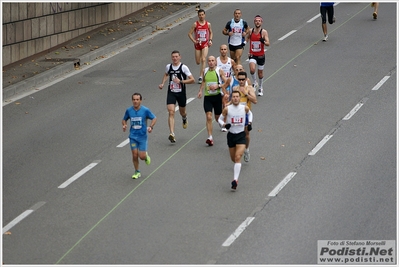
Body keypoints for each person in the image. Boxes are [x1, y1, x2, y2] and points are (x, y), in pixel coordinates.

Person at [218, 90, 253, 190]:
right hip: (231, 136)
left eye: (237, 96)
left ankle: (235, 180)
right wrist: (224, 124)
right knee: (233, 159)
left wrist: (249, 123)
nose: (235, 98)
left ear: (239, 97)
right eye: (233, 97)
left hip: (241, 135)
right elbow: (220, 119)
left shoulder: (244, 108)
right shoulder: (227, 109)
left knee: (238, 157)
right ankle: (238, 165)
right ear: (231, 98)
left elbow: (250, 114)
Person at [159, 50, 195, 143]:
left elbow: (192, 80)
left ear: (180, 57)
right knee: (171, 111)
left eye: (176, 56)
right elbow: (166, 74)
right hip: (171, 92)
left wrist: (181, 81)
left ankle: (184, 118)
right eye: (173, 57)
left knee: (182, 112)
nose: (175, 58)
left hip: (181, 93)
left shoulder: (184, 67)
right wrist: (163, 83)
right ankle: (172, 134)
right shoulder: (168, 67)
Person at [122, 93, 157, 179]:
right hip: (133, 136)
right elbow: (124, 119)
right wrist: (124, 125)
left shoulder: (145, 110)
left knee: (141, 156)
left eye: (137, 100)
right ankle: (137, 171)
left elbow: (154, 118)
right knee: (134, 155)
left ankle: (145, 156)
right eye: (134, 99)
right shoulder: (129, 110)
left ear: (140, 100)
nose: (135, 101)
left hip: (142, 137)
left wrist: (151, 127)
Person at [197, 55, 228, 146]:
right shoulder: (205, 71)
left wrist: (218, 86)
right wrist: (200, 91)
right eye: (209, 61)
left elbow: (226, 82)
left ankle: (223, 123)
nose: (211, 62)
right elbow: (203, 81)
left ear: (215, 62)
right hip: (208, 97)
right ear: (207, 62)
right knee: (209, 117)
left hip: (217, 97)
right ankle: (210, 137)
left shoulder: (219, 71)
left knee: (217, 118)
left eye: (212, 60)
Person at [231, 71, 257, 162]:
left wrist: (246, 94)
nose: (241, 81)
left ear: (246, 79)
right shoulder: (235, 88)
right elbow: (232, 100)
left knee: (246, 134)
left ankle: (247, 150)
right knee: (235, 133)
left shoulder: (249, 88)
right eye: (239, 79)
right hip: (236, 114)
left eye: (243, 79)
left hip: (246, 114)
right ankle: (237, 149)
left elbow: (255, 101)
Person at [188, 9, 213, 84]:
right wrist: (194, 41)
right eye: (200, 15)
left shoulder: (208, 24)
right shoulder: (195, 24)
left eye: (202, 15)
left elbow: (211, 32)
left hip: (205, 43)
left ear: (204, 15)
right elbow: (189, 33)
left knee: (203, 59)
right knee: (198, 62)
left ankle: (201, 76)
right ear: (198, 16)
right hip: (198, 44)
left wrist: (210, 40)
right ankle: (201, 74)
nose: (201, 16)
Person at [246, 15, 269, 96]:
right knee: (252, 69)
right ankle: (255, 82)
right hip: (252, 54)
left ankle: (261, 87)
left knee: (260, 73)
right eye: (256, 21)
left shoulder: (264, 32)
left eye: (259, 21)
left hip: (261, 55)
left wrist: (263, 41)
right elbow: (247, 37)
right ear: (254, 22)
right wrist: (244, 42)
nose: (257, 22)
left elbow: (268, 43)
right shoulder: (251, 31)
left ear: (261, 22)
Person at [217, 44, 236, 127]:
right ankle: (223, 122)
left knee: (226, 103)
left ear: (227, 51)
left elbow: (236, 72)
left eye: (225, 49)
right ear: (220, 50)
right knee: (222, 104)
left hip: (228, 85)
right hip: (220, 85)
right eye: (222, 49)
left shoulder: (231, 61)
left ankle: (226, 122)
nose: (223, 51)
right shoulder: (216, 61)